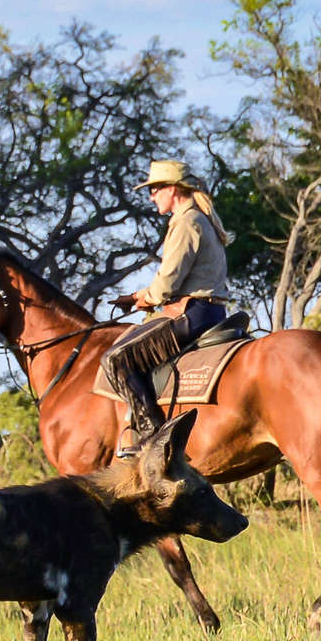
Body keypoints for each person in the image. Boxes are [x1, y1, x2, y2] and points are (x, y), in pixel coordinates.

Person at [100, 160, 232, 459]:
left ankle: (152, 437)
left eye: (156, 189)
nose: (152, 196)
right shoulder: (199, 218)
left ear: (173, 189)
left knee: (116, 358)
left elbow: (167, 284)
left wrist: (142, 297)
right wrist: (140, 296)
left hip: (191, 312)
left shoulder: (187, 222)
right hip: (209, 310)